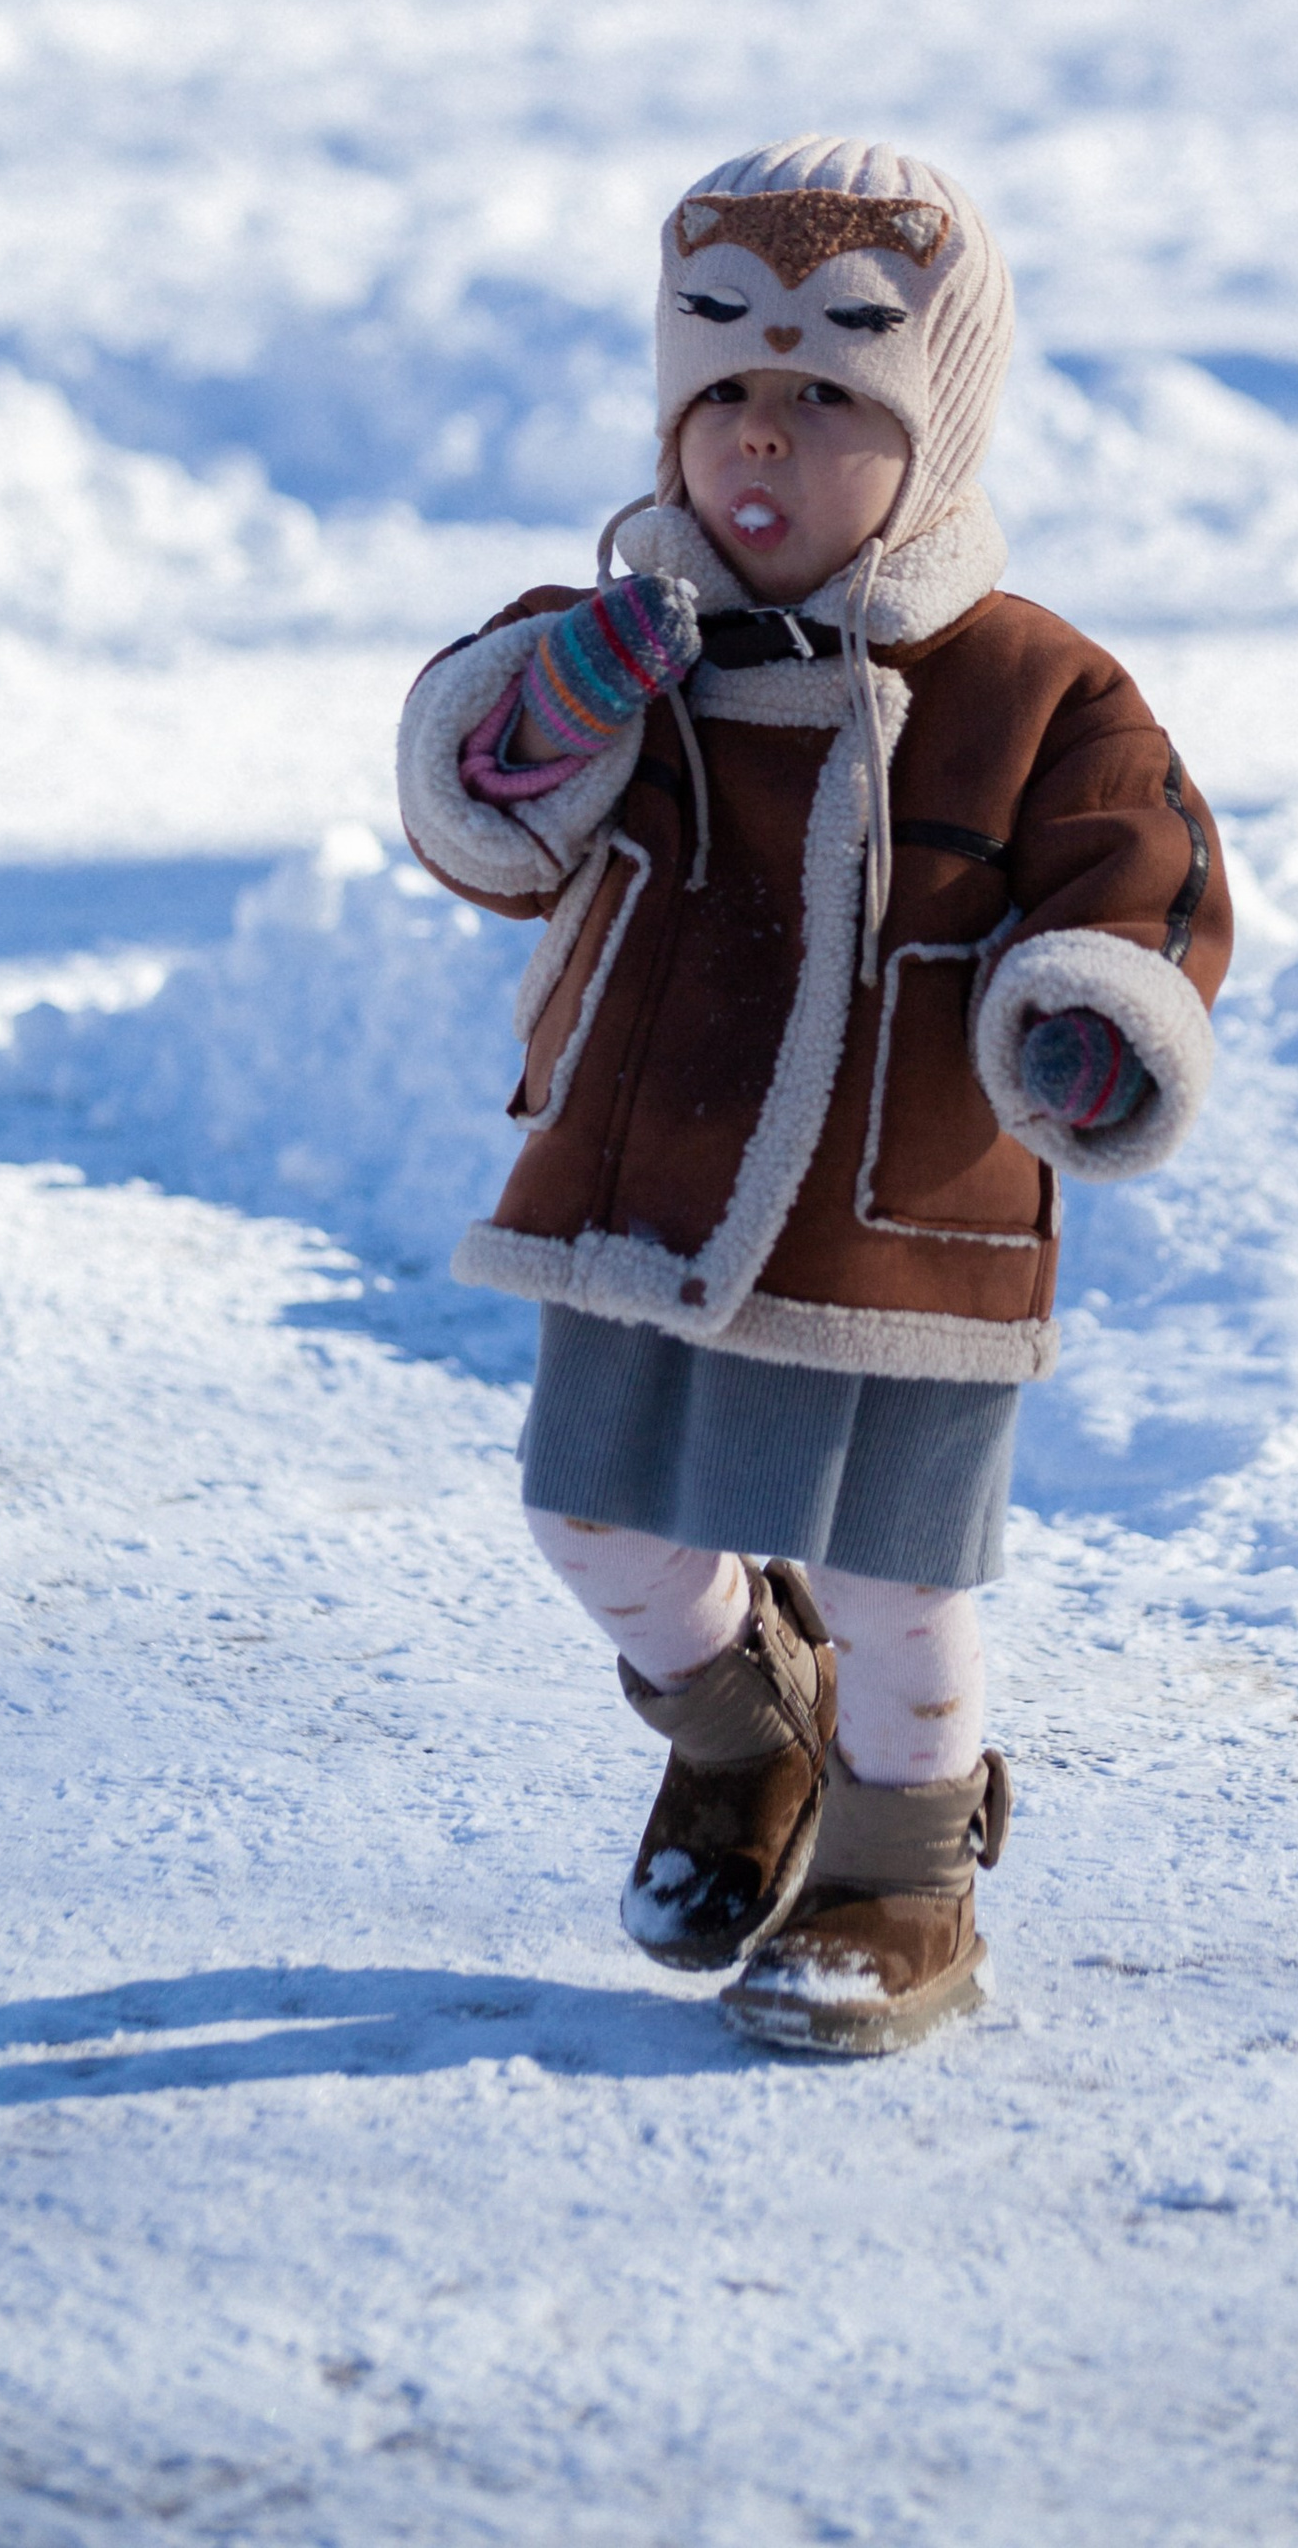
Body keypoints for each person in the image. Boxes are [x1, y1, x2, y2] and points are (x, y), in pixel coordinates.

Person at [395, 135, 1231, 2054]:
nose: (762, 438)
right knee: (596, 1522)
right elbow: (485, 818)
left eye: (831, 398)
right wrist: (564, 704)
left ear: (935, 435)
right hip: (641, 1177)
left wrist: (1091, 1011)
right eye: (723, 395)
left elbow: (1148, 873)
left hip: (899, 1207)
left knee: (889, 1576)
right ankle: (744, 1726)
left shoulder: (1031, 684)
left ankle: (902, 1873)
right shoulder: (621, 644)